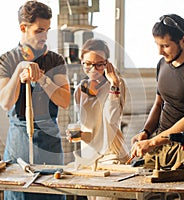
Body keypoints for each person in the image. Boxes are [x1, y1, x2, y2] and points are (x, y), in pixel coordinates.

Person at [130, 14, 184, 200]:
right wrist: (146, 132)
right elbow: (159, 103)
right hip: (162, 145)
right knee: (140, 192)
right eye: (157, 45)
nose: (160, 52)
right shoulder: (162, 64)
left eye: (165, 46)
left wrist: (153, 141)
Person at [0, 1, 70, 200]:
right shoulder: (5, 61)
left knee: (52, 193)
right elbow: (5, 102)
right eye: (39, 30)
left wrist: (43, 79)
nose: (45, 36)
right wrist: (19, 70)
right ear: (23, 28)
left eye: (47, 30)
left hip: (49, 141)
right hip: (19, 140)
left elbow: (65, 100)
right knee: (19, 194)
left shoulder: (55, 61)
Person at [67, 39, 129, 200]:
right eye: (88, 64)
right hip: (89, 156)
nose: (93, 69)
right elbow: (86, 124)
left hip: (111, 156)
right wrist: (77, 133)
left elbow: (111, 118)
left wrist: (114, 83)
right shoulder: (80, 89)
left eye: (99, 64)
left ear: (107, 64)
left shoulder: (116, 84)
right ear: (82, 62)